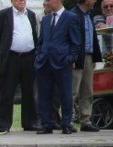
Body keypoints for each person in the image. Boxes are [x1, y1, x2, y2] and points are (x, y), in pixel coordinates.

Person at [0, 0, 39, 133]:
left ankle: (29, 122)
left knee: (29, 90)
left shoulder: (31, 14)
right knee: (7, 91)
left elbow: (34, 35)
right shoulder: (3, 15)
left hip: (29, 57)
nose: (21, 1)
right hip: (11, 57)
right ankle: (4, 123)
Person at [36, 0, 81, 134]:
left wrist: (70, 58)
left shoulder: (71, 18)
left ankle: (66, 124)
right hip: (44, 62)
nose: (48, 2)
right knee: (44, 95)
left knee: (65, 94)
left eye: (50, 0)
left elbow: (76, 42)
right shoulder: (45, 19)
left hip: (62, 62)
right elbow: (41, 41)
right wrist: (38, 56)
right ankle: (47, 124)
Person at [71, 0, 103, 132]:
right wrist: (71, 57)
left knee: (88, 90)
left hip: (89, 56)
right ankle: (69, 120)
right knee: (73, 90)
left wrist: (95, 57)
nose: (95, 1)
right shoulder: (73, 15)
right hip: (77, 57)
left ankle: (86, 121)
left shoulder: (89, 15)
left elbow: (93, 37)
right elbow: (70, 38)